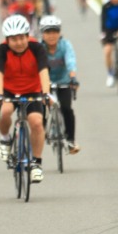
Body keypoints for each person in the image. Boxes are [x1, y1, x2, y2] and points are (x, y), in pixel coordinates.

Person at [0, 15, 51, 183]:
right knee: (5, 111)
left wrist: (46, 94)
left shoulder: (37, 48)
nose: (18, 42)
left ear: (27, 36)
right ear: (7, 40)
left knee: (37, 122)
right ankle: (5, 139)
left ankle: (36, 164)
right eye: (13, 39)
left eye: (21, 38)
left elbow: (44, 72)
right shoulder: (0, 51)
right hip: (9, 91)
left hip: (32, 91)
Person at [39, 15, 80, 154]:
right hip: (44, 84)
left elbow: (70, 61)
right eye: (48, 32)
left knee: (67, 109)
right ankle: (41, 133)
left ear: (60, 33)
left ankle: (71, 141)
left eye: (55, 31)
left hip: (63, 82)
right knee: (41, 110)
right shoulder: (39, 48)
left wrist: (73, 78)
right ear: (42, 34)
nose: (51, 35)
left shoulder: (65, 45)